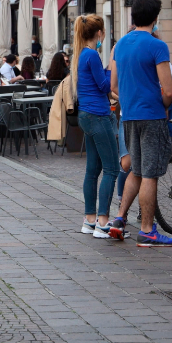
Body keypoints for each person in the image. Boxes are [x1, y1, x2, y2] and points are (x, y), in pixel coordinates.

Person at [108, 0, 172, 247]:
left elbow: (113, 85)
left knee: (135, 170)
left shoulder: (120, 45)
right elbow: (169, 91)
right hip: (152, 115)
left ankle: (119, 219)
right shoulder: (157, 46)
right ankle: (147, 230)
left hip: (128, 116)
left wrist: (128, 100)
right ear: (155, 18)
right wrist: (165, 104)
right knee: (149, 174)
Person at [71, 15, 119, 239]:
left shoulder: (81, 54)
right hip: (99, 116)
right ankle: (102, 222)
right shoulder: (92, 54)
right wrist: (112, 61)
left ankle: (90, 220)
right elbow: (104, 86)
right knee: (111, 169)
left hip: (86, 116)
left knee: (92, 170)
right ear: (98, 34)